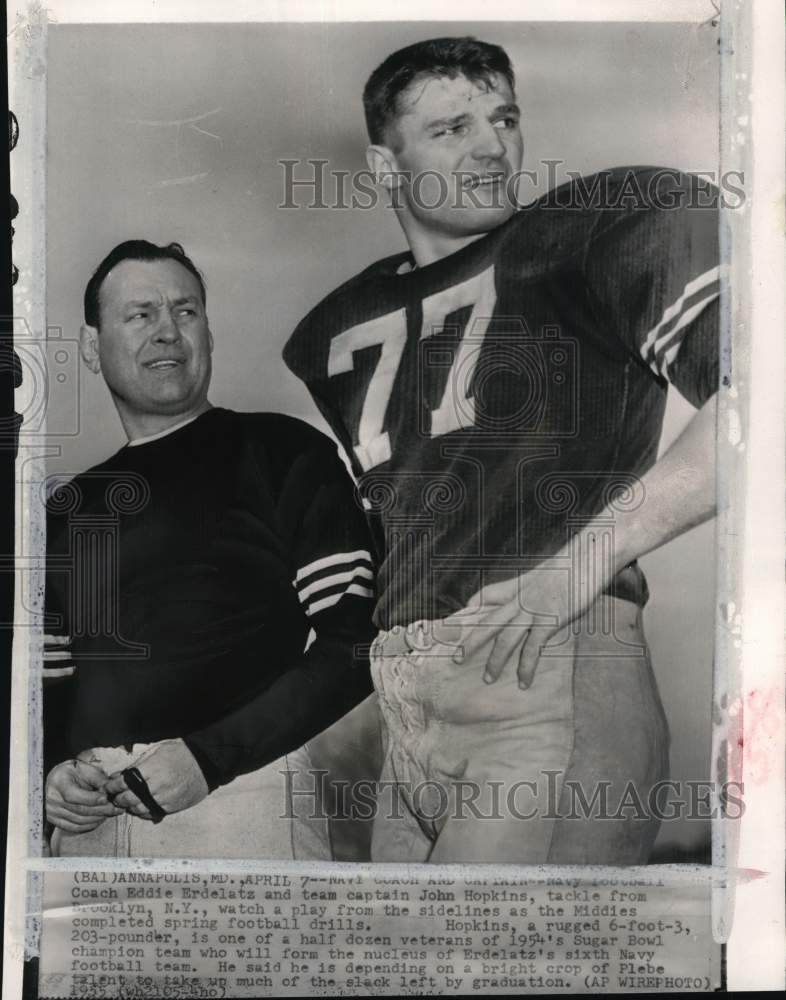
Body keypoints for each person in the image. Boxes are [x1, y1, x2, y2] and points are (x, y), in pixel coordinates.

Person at [283, 37, 720, 864]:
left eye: (504, 117)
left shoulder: (599, 225)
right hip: (409, 705)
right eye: (451, 128)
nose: (491, 146)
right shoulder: (338, 332)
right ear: (384, 166)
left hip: (549, 664)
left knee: (481, 968)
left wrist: (579, 565)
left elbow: (760, 405)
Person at [44, 239, 376, 858]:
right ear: (92, 348)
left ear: (209, 332)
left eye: (186, 311)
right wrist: (53, 774)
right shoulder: (63, 510)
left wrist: (208, 758)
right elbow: (48, 684)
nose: (167, 331)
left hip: (239, 800)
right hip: (89, 828)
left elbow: (355, 641)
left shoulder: (282, 452)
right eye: (140, 314)